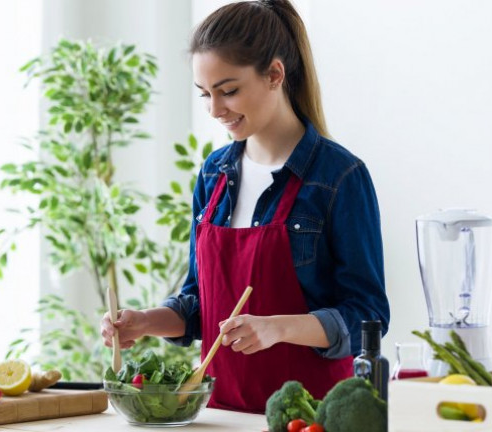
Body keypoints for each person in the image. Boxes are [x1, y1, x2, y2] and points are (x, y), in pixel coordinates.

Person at [101, 0, 390, 413]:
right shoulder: (213, 174)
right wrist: (146, 322)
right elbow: (199, 303)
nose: (216, 110)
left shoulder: (339, 177)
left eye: (229, 91)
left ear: (275, 74)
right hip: (219, 415)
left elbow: (368, 320)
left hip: (309, 415)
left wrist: (278, 328)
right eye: (204, 94)